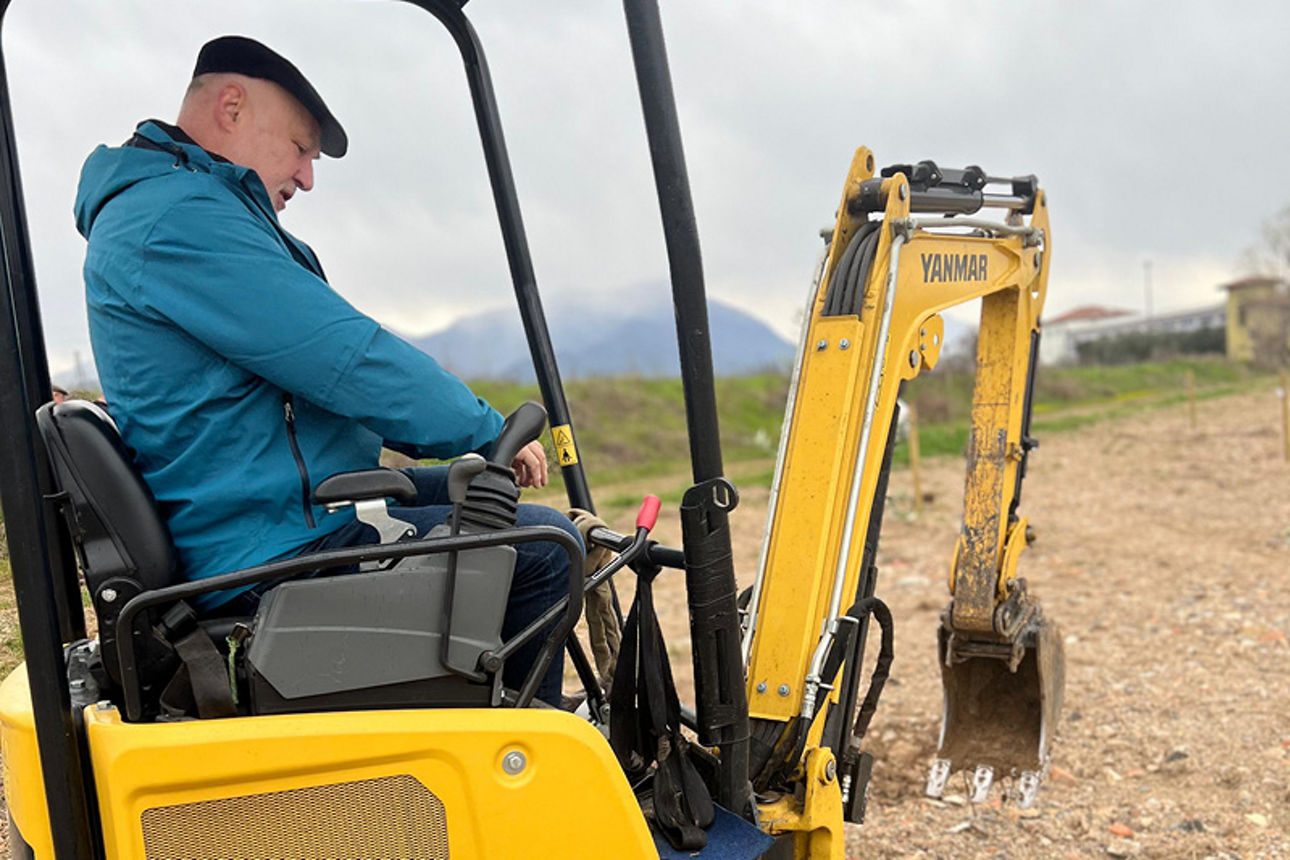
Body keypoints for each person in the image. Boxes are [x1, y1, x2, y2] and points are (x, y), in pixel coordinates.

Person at [73, 35, 577, 705]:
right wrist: (484, 430)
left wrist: (467, 454)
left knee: (480, 496)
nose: (307, 176)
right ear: (232, 107)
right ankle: (511, 761)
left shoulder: (193, 210)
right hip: (268, 552)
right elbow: (341, 357)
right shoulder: (175, 220)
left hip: (283, 508)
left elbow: (306, 375)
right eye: (301, 148)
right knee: (544, 548)